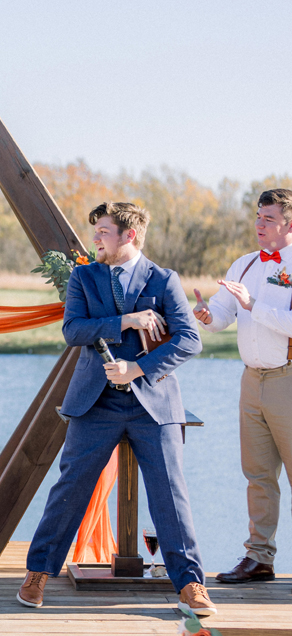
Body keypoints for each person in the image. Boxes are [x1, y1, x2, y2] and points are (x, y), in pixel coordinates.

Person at [16, 202, 216, 617]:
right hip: (96, 403)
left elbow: (189, 340)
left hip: (153, 404)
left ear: (130, 236)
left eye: (104, 231)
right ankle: (38, 573)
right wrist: (127, 320)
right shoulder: (83, 276)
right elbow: (73, 330)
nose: (96, 239)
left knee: (170, 494)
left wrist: (137, 367)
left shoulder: (164, 280)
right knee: (69, 489)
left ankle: (191, 584)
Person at [193, 188, 292, 584]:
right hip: (251, 381)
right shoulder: (245, 265)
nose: (259, 224)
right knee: (257, 475)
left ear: (289, 224)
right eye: (258, 216)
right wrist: (205, 314)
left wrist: (255, 306)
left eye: (269, 218)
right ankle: (259, 558)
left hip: (288, 379)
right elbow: (221, 314)